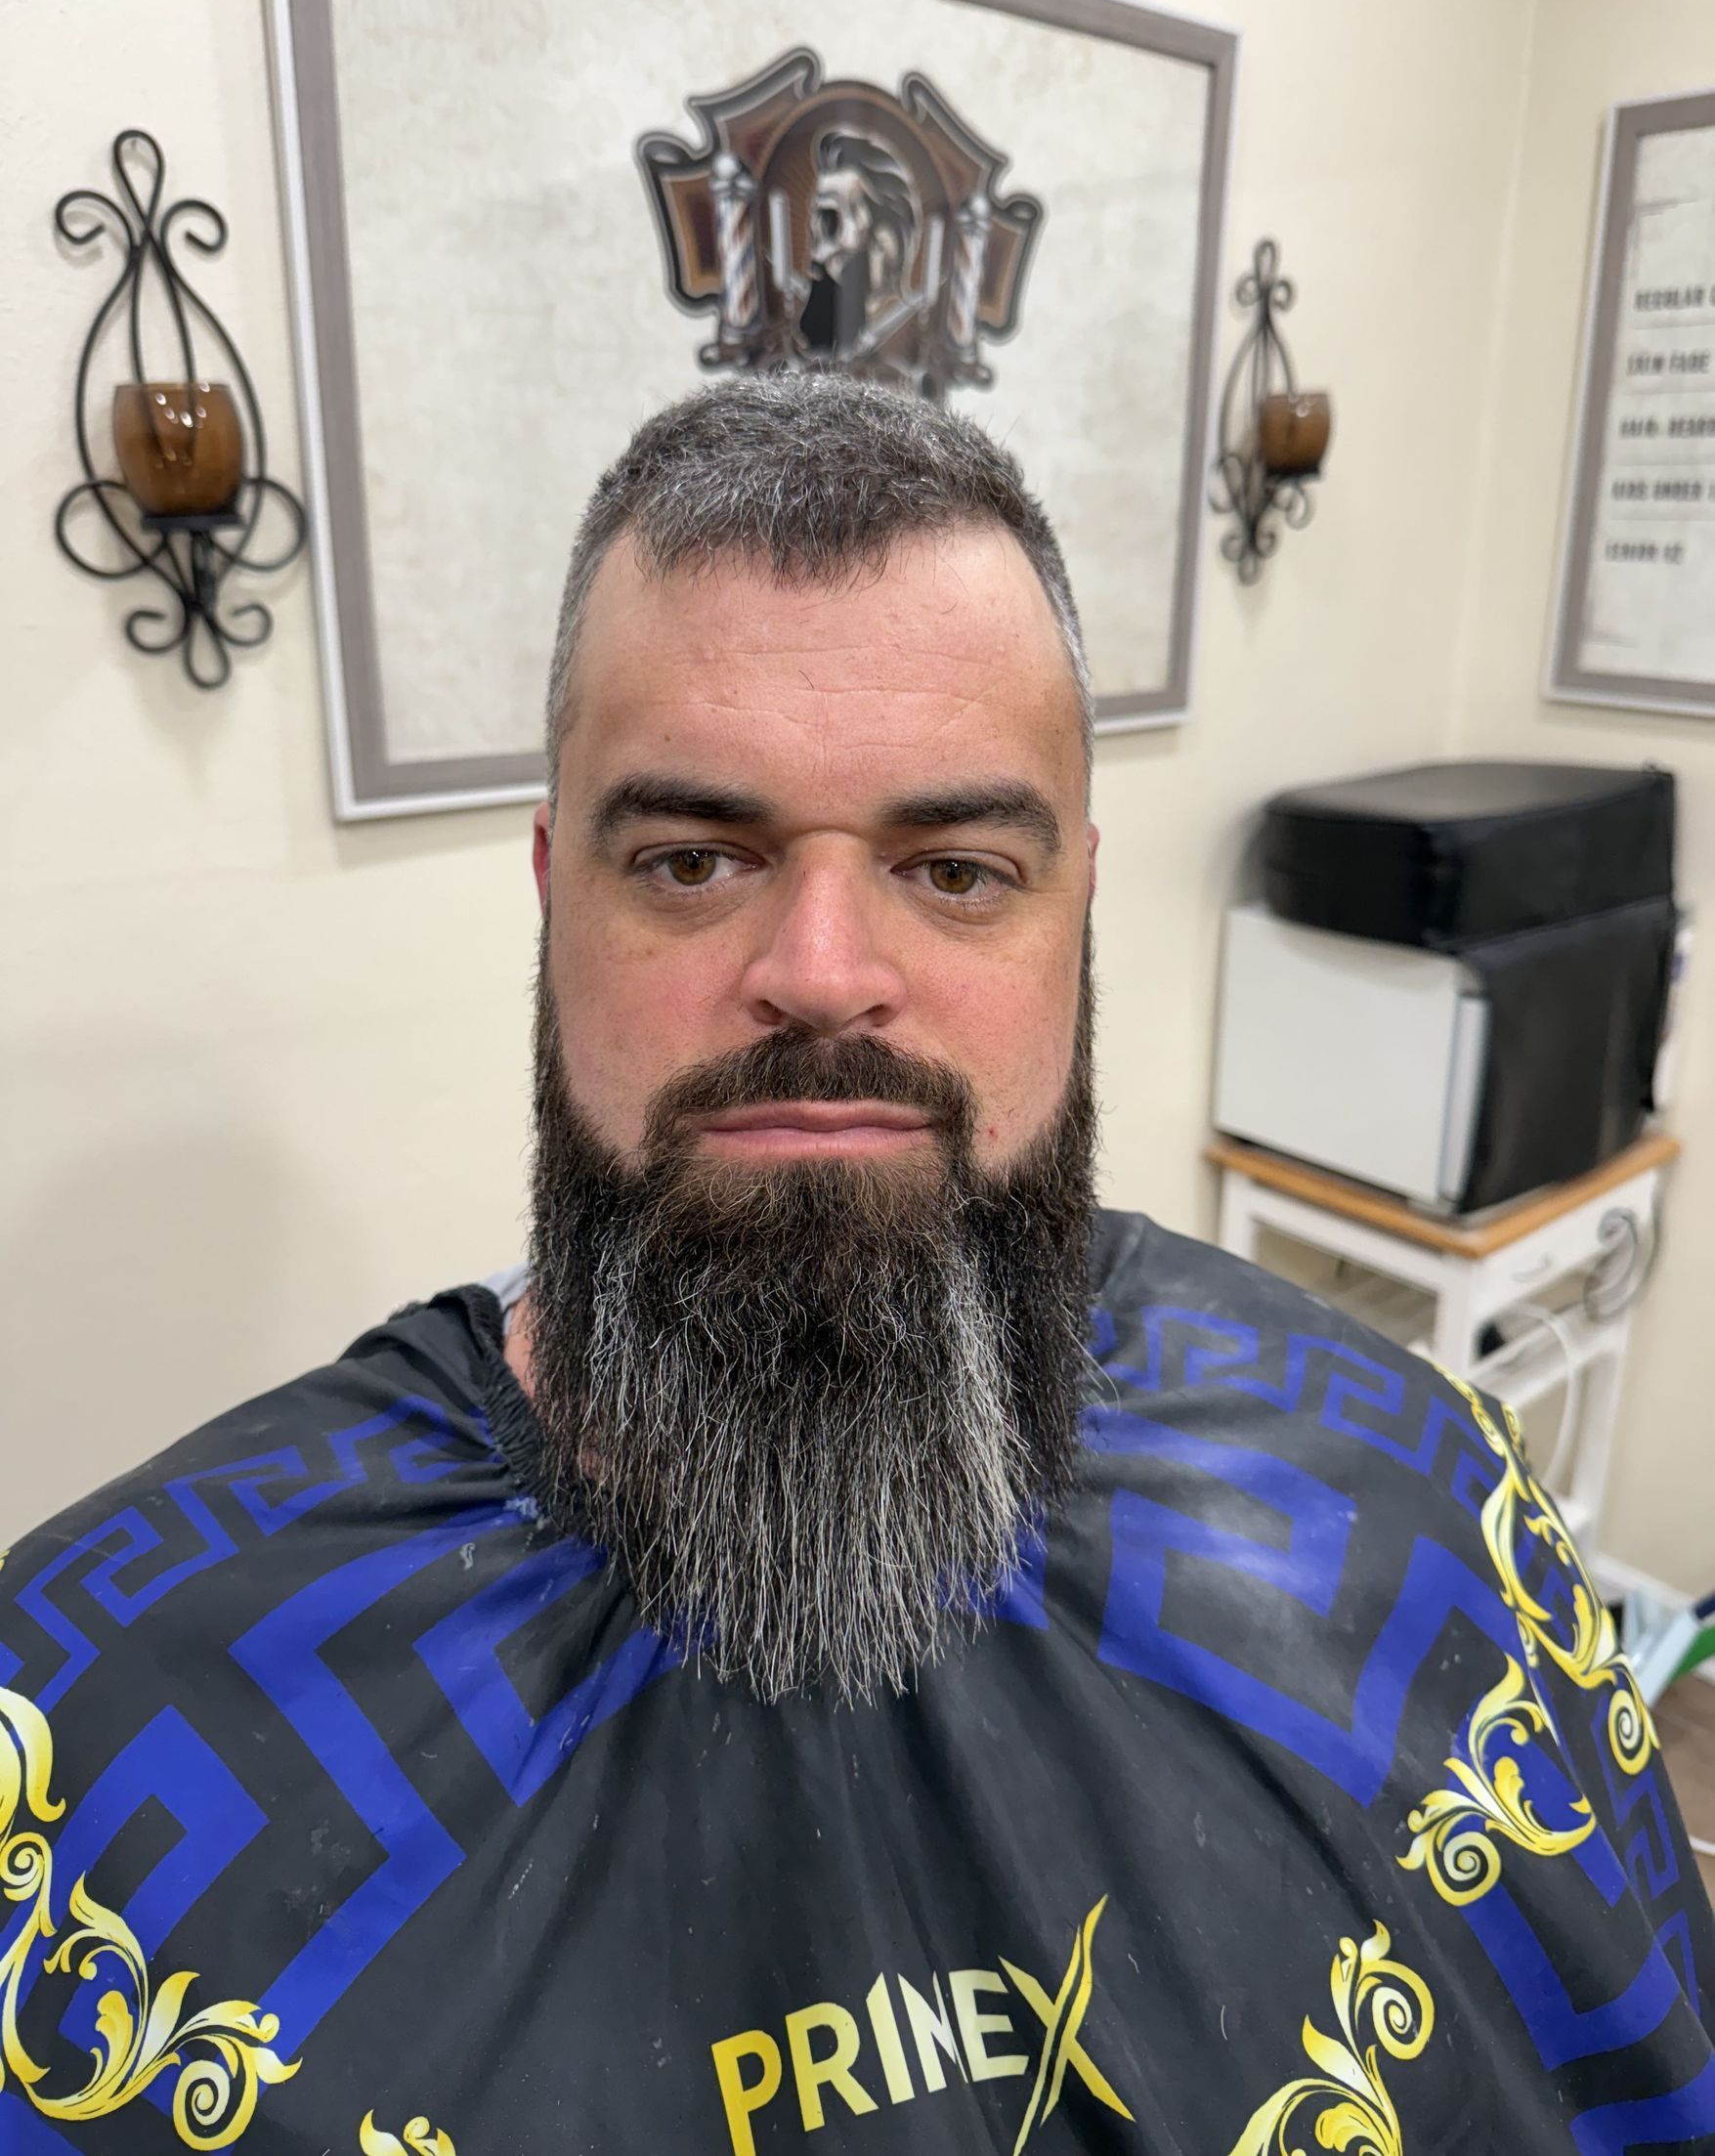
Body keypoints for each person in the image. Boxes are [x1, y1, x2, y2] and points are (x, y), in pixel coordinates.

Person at [2, 377, 1710, 2156]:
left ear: (1080, 913)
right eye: (689, 859)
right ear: (549, 893)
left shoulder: (1410, 1503)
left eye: (957, 870)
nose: (822, 970)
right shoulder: (87, 1744)